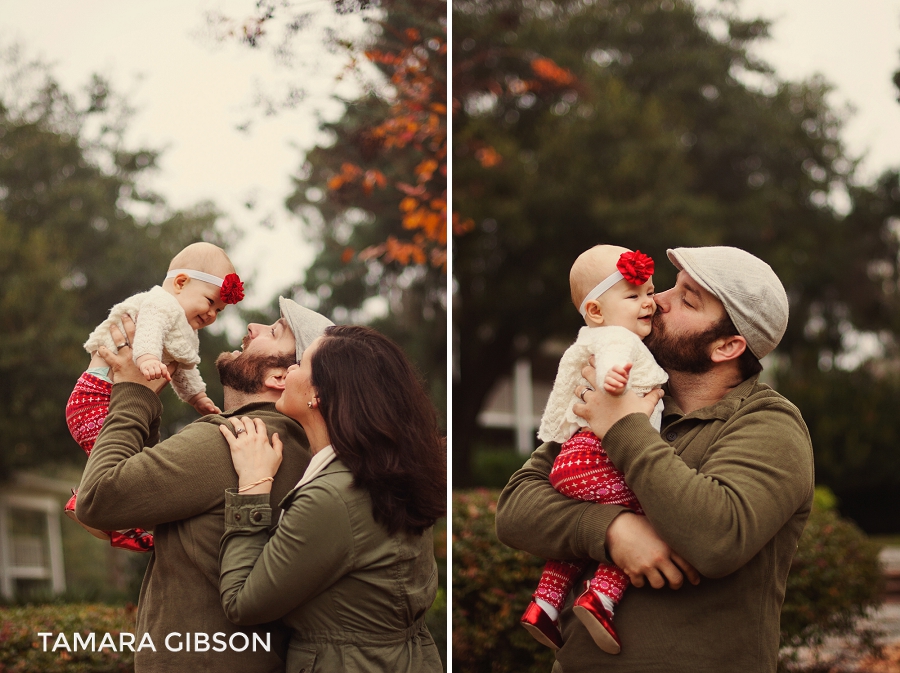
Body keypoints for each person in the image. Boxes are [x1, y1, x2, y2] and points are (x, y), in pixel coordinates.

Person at [496, 246, 815, 673]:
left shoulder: (769, 424)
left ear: (727, 345)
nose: (658, 299)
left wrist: (623, 427)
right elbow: (515, 509)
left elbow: (718, 536)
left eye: (687, 300)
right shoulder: (611, 394)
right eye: (671, 286)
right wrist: (612, 531)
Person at [77, 297, 333, 673]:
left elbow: (98, 498)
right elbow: (149, 503)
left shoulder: (233, 438)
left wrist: (134, 391)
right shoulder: (295, 446)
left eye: (274, 331)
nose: (252, 329)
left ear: (280, 377)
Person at [217, 325, 446, 672]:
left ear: (319, 395)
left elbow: (241, 603)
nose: (290, 368)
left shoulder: (333, 498)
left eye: (302, 364)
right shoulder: (385, 473)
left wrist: (253, 486)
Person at [521, 245, 668, 654]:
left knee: (585, 536)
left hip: (574, 460)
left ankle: (545, 604)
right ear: (597, 311)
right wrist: (615, 379)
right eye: (633, 295)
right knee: (649, 512)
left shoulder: (593, 336)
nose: (649, 303)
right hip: (598, 459)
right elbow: (612, 360)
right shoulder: (618, 341)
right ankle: (601, 597)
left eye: (649, 292)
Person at [65, 241, 245, 551]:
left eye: (219, 310)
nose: (213, 314)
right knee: (121, 470)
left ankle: (119, 518)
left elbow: (184, 367)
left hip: (114, 397)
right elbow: (148, 330)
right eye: (210, 302)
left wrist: (196, 397)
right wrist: (146, 357)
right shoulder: (160, 304)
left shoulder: (185, 327)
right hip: (95, 397)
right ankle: (94, 507)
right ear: (180, 283)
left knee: (136, 465)